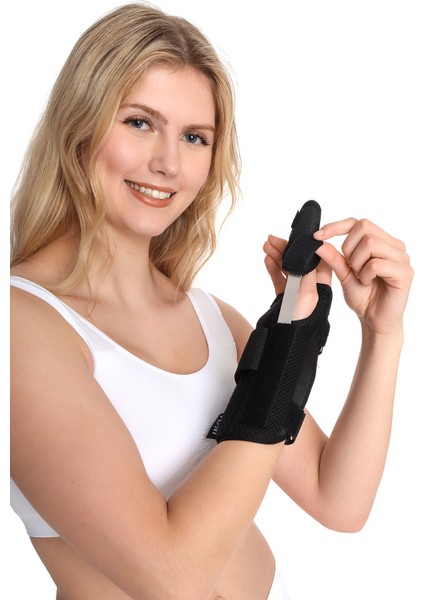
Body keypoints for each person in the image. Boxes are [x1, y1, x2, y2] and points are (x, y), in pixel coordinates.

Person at [9, 3, 413, 599]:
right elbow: (171, 575)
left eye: (194, 137)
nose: (168, 163)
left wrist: (382, 334)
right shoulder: (20, 325)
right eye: (139, 123)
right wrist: (286, 353)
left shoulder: (213, 320)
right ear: (78, 128)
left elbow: (338, 501)